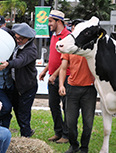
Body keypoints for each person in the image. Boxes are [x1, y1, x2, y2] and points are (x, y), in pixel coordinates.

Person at [58, 20, 97, 153]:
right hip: (72, 88)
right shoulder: (68, 48)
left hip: (89, 90)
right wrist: (61, 85)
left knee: (88, 122)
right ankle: (74, 145)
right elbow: (63, 68)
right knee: (70, 122)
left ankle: (84, 148)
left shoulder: (90, 47)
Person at [0, 23, 38, 138]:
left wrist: (8, 64)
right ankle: (26, 131)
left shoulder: (31, 50)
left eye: (21, 39)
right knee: (16, 110)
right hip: (15, 85)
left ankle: (26, 137)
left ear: (28, 38)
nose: (18, 40)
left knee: (23, 114)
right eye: (17, 37)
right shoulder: (16, 42)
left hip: (27, 87)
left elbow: (20, 61)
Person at [38, 10, 69, 144]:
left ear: (59, 21)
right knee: (53, 105)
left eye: (51, 21)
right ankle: (58, 132)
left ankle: (66, 135)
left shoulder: (68, 37)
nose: (49, 24)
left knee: (66, 107)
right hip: (52, 76)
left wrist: (54, 75)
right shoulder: (54, 36)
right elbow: (53, 58)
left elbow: (65, 61)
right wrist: (45, 70)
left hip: (65, 77)